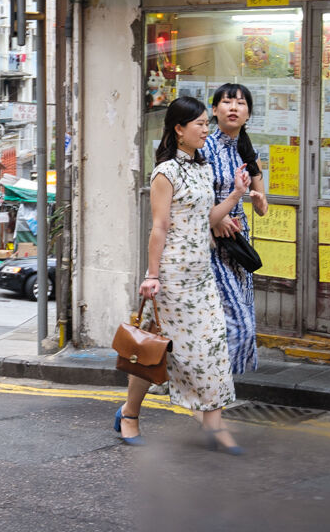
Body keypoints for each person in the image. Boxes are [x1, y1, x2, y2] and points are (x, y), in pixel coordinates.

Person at [115, 96, 245, 454]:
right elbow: (159, 227)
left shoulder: (202, 169)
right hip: (170, 278)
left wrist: (236, 194)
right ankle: (129, 414)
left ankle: (215, 425)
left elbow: (205, 219)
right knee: (156, 351)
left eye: (207, 123)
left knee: (213, 348)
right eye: (200, 124)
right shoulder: (165, 172)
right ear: (178, 129)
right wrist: (151, 274)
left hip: (202, 275)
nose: (207, 129)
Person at [201, 83, 268, 375]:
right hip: (211, 245)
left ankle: (213, 393)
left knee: (237, 323)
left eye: (240, 103)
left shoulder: (248, 151)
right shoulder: (203, 146)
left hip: (238, 245)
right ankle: (208, 389)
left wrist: (257, 197)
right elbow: (192, 198)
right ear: (214, 110)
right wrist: (217, 217)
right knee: (237, 325)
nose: (233, 108)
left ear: (248, 114)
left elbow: (262, 207)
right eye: (226, 102)